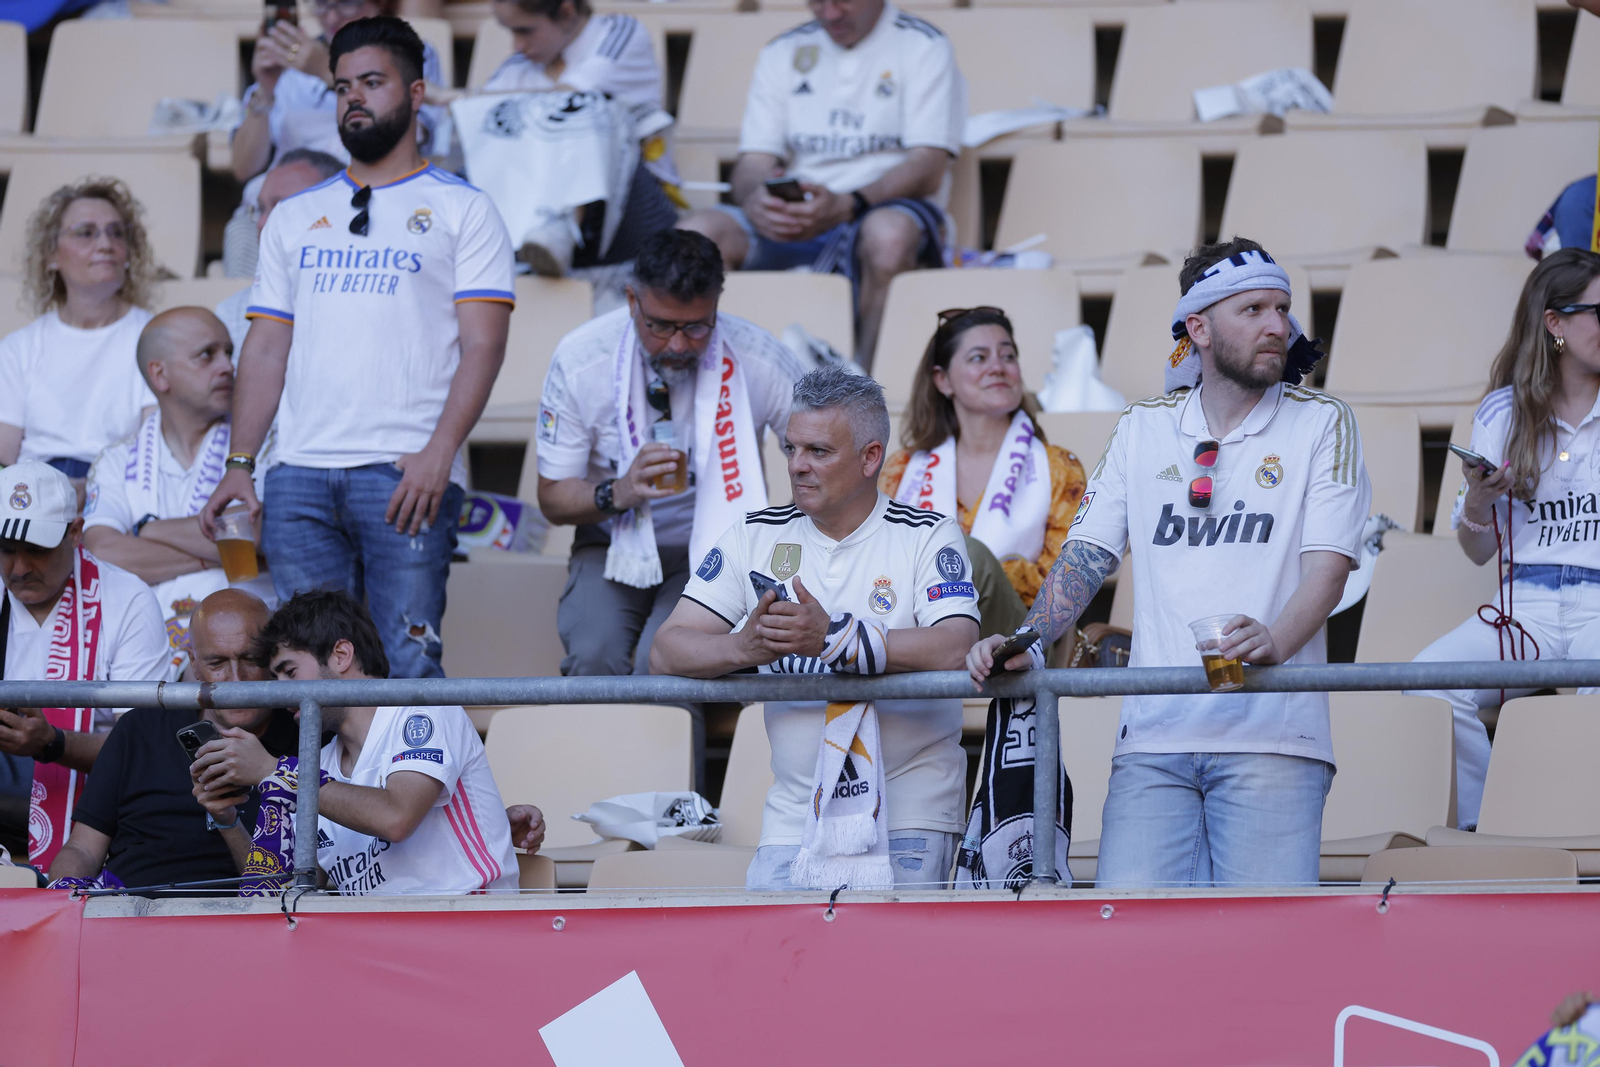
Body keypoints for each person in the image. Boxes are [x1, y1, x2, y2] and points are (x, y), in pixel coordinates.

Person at [968, 238, 1371, 888]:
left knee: (1263, 952)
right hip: (1153, 740)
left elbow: (1329, 567)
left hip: (1272, 737)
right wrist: (1029, 638)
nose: (1278, 325)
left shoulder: (1324, 422)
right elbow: (1086, 556)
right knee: (1132, 952)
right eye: (1253, 310)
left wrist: (1275, 639)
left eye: (1282, 308)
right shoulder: (1142, 428)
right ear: (1199, 327)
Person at [201, 16, 516, 679]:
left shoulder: (465, 208)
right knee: (310, 671)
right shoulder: (291, 214)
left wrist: (439, 453)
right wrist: (240, 462)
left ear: (417, 92)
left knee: (406, 661)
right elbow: (263, 351)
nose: (355, 99)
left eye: (373, 82)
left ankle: (413, 789)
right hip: (298, 476)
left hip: (406, 473)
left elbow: (483, 347)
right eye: (343, 87)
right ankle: (327, 790)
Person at [651, 365, 979, 890]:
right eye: (790, 449)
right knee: (781, 971)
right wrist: (744, 646)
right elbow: (666, 651)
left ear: (871, 457)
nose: (798, 467)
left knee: (898, 973)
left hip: (910, 808)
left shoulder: (927, 535)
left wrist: (832, 637)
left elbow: (956, 644)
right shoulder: (754, 534)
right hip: (793, 815)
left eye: (818, 452)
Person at [536, 229, 801, 680]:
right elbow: (553, 498)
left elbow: (824, 449)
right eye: (659, 325)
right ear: (631, 300)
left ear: (718, 302)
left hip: (723, 551)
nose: (678, 345)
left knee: (667, 669)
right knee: (593, 658)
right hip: (611, 542)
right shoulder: (582, 360)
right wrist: (618, 491)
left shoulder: (759, 358)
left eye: (696, 327)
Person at [1409, 248, 1600, 831]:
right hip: (1527, 607)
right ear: (1555, 323)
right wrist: (1481, 499)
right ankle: (1483, 826)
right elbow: (1476, 550)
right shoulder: (1503, 411)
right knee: (1426, 685)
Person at [676, 0, 965, 368]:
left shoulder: (924, 44)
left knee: (889, 237)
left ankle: (869, 387)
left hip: (879, 207)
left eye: (842, 0)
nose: (829, 13)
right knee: (694, 236)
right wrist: (756, 200)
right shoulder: (783, 49)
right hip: (798, 214)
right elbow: (754, 161)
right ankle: (717, 380)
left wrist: (852, 202)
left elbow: (928, 164)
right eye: (816, 1)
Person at [191, 589, 521, 895]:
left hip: (469, 929)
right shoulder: (314, 766)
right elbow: (282, 896)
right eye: (275, 678)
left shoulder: (422, 711)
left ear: (341, 655)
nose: (281, 693)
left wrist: (273, 771)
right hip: (371, 947)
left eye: (289, 672)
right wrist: (228, 821)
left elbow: (396, 819)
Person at [45, 590, 298, 892]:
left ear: (272, 657)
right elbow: (83, 849)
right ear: (193, 663)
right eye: (217, 663)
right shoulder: (139, 729)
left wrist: (228, 822)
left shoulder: (307, 735)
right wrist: (63, 896)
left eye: (251, 659)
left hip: (245, 924)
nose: (236, 680)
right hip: (127, 918)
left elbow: (285, 896)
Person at [83, 309, 277, 678]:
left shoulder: (260, 446)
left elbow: (262, 535)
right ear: (160, 374)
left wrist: (149, 530)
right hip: (142, 653)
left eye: (229, 352)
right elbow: (102, 554)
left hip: (247, 657)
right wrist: (222, 556)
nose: (227, 366)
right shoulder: (115, 459)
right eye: (207, 354)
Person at [0, 461, 172, 870]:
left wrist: (51, 743)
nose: (20, 568)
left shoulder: (127, 600)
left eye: (37, 550)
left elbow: (145, 753)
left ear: (76, 532)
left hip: (102, 807)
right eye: (6, 549)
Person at [880, 307, 1087, 638]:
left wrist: (972, 571)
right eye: (979, 358)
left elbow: (1068, 580)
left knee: (961, 556)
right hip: (914, 625)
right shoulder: (901, 470)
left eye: (1008, 356)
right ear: (942, 380)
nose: (997, 368)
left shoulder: (1058, 466)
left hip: (1017, 641)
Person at [445, 0, 678, 275]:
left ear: (567, 12)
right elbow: (477, 119)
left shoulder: (618, 31)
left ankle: (559, 225)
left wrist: (460, 98)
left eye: (526, 31)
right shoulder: (517, 67)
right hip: (525, 206)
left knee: (581, 108)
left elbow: (567, 96)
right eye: (512, 32)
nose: (517, 45)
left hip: (632, 213)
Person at [225, 1, 447, 277]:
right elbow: (243, 168)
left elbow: (415, 139)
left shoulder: (409, 54)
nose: (331, 17)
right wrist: (266, 89)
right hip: (287, 205)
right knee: (243, 227)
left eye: (346, 4)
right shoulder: (289, 61)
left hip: (367, 201)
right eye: (321, 4)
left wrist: (331, 72)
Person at [0, 179, 157, 483]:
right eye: (86, 232)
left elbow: (154, 450)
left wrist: (96, 488)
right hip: (33, 488)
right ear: (51, 256)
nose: (105, 244)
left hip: (119, 487)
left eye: (116, 232)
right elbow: (4, 456)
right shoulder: (18, 348)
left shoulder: (154, 336)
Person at [216, 148, 347, 352]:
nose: (262, 223)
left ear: (338, 212)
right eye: (261, 208)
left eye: (282, 208)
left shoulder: (371, 298)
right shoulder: (232, 313)